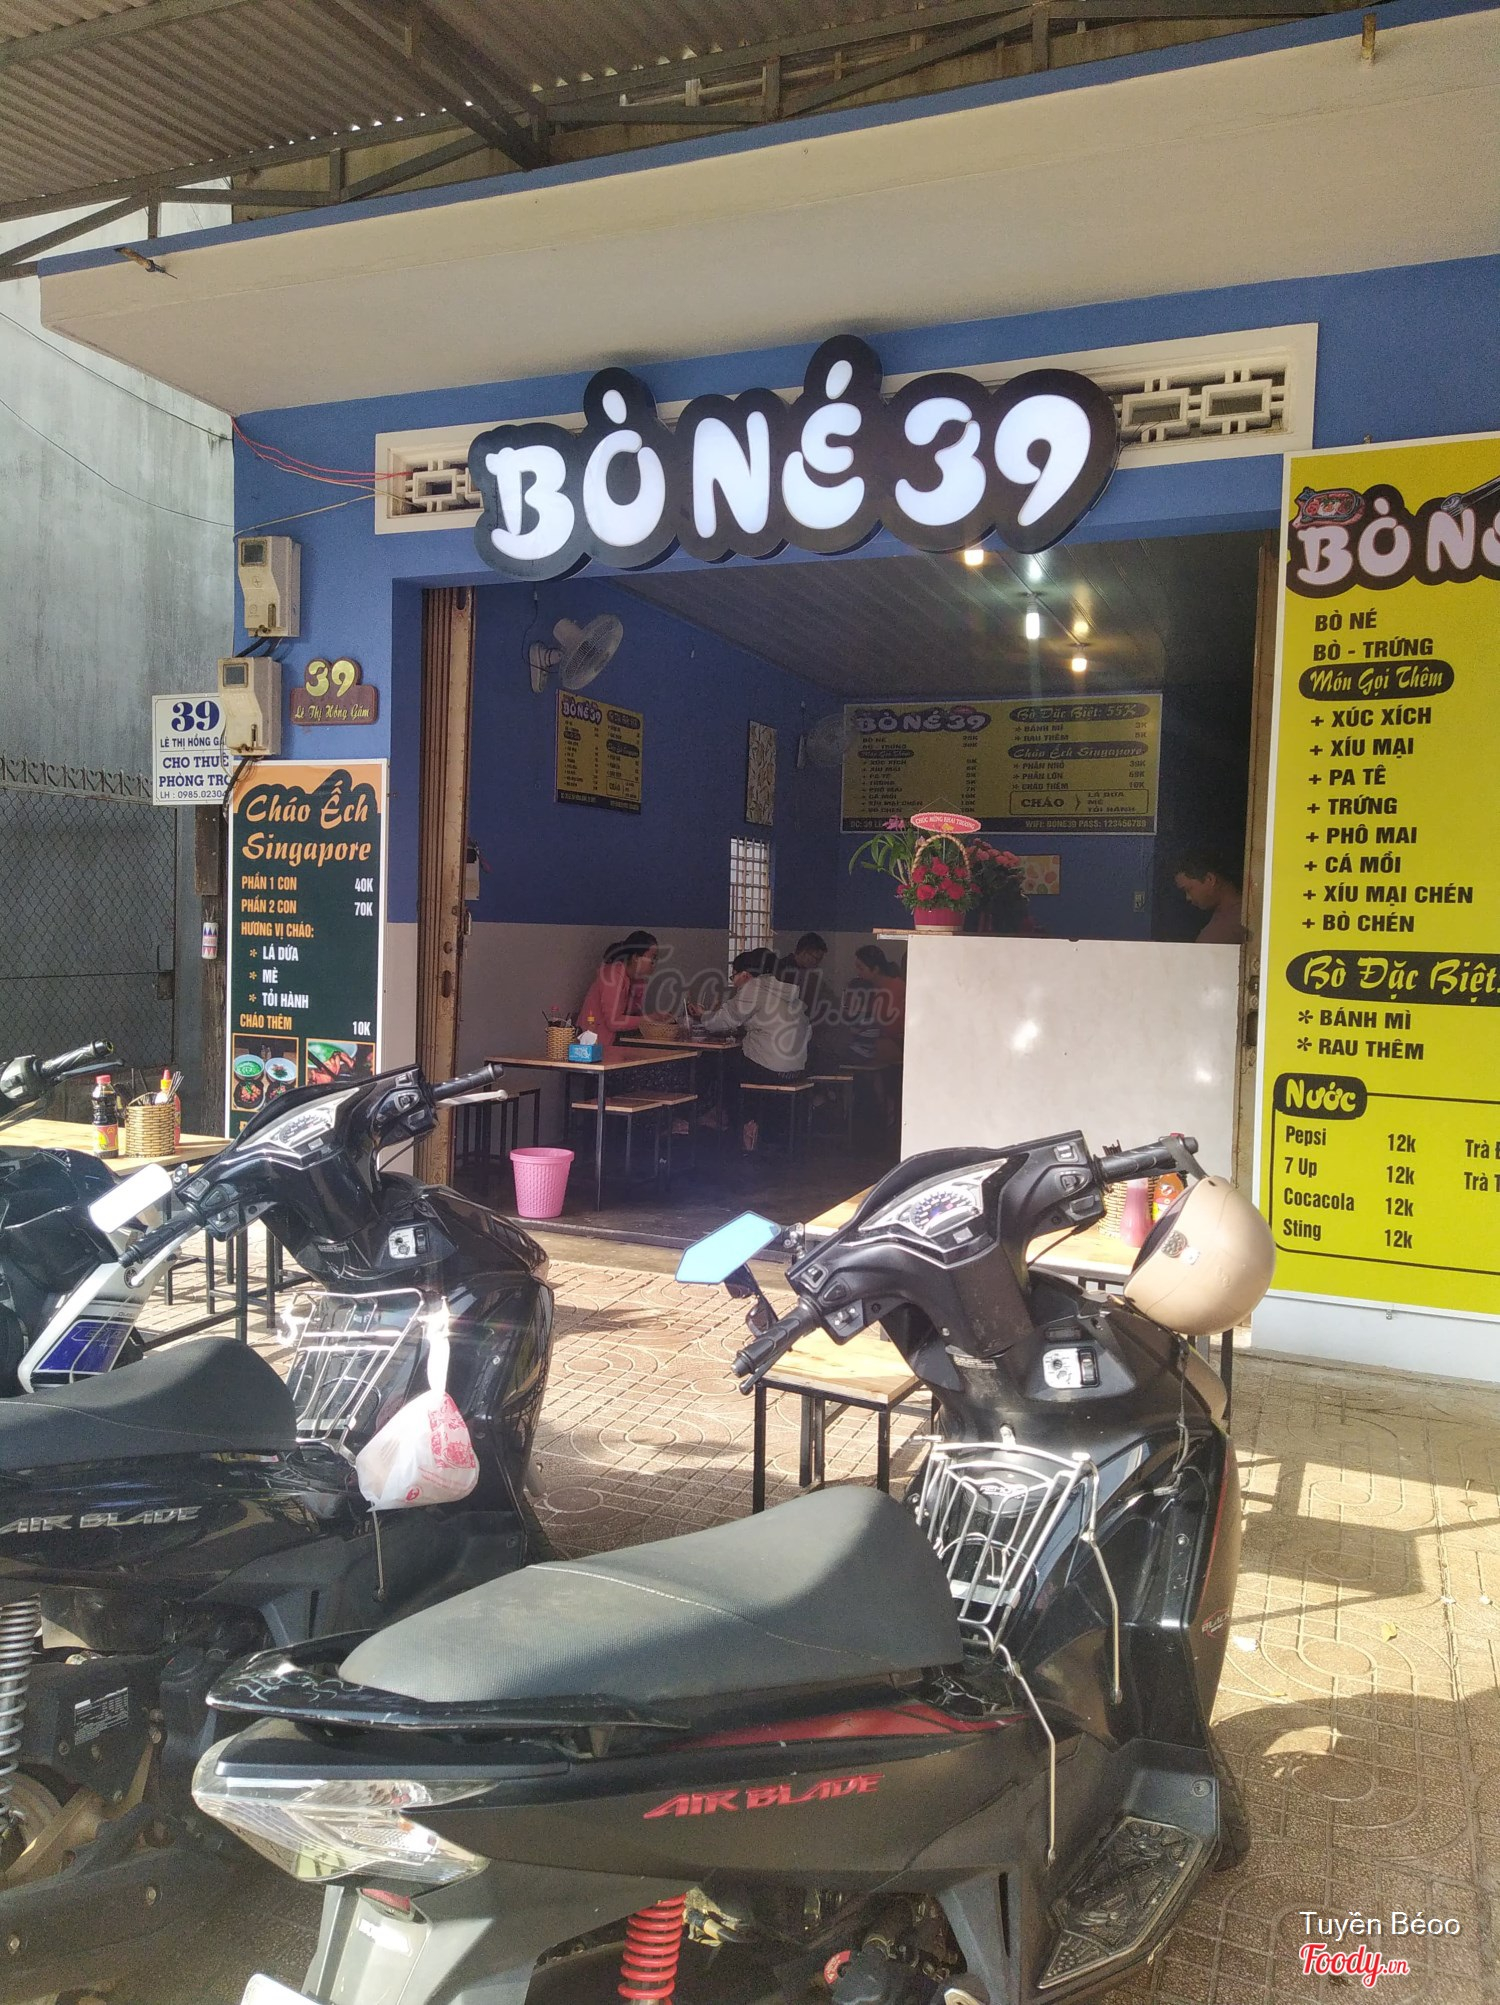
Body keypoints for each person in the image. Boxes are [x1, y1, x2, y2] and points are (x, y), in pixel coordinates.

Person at [690, 948, 810, 1152]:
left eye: (734, 976)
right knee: (731, 1064)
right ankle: (727, 1116)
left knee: (715, 1062)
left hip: (769, 1069)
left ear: (745, 975)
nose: (734, 983)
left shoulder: (754, 988)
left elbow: (723, 1020)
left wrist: (703, 1015)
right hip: (794, 1070)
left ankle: (732, 1121)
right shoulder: (785, 992)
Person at [576, 934, 660, 1054]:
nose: (654, 964)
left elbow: (632, 1013)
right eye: (652, 957)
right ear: (636, 957)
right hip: (592, 1047)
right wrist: (649, 1019)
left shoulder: (631, 979)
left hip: (607, 1044)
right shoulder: (614, 977)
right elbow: (614, 1022)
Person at [1174, 849, 1245, 945]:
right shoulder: (1227, 916)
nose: (1188, 898)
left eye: (1188, 889)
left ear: (1210, 879)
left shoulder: (1242, 920)